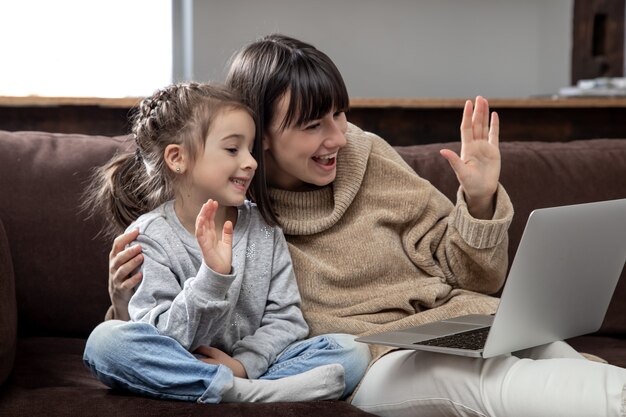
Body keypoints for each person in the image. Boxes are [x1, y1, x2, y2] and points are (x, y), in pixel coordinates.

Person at [106, 36, 626, 416]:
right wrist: (122, 302)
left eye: (339, 114)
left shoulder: (365, 153)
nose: (338, 137)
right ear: (256, 136)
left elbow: (476, 279)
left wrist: (480, 197)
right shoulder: (233, 215)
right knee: (502, 383)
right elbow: (159, 327)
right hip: (376, 360)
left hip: (457, 323)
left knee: (559, 355)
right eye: (313, 125)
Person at [82, 82, 370, 404]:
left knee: (351, 350)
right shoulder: (150, 238)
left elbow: (286, 318)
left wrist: (243, 366)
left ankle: (240, 388)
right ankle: (240, 393)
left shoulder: (262, 228)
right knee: (104, 344)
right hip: (185, 364)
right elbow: (160, 336)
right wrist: (211, 279)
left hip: (253, 368)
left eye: (250, 149)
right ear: (178, 158)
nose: (251, 162)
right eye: (233, 149)